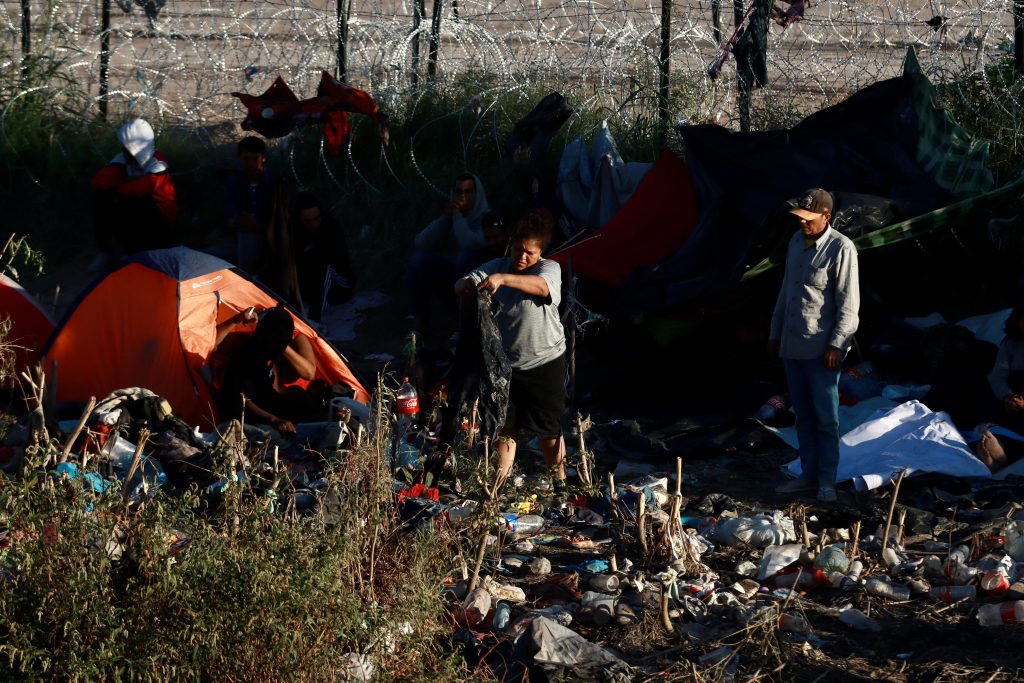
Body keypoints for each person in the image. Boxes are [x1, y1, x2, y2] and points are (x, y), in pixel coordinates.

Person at [455, 211, 567, 493]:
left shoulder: (549, 269)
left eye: (530, 253)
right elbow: (462, 282)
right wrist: (468, 285)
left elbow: (542, 288)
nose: (522, 257)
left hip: (544, 362)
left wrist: (503, 279)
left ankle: (560, 484)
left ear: (540, 252)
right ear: (510, 246)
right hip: (505, 366)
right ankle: (497, 486)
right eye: (518, 250)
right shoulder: (496, 266)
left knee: (548, 430)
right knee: (506, 427)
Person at [769, 188, 860, 503]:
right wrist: (775, 332)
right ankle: (807, 475)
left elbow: (849, 305)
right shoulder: (796, 242)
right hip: (792, 344)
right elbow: (786, 292)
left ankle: (826, 481)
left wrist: (837, 344)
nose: (803, 223)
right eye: (800, 217)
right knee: (803, 416)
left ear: (826, 217)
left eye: (809, 218)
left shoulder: (841, 248)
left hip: (821, 351)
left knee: (826, 419)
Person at [408, 173, 504, 342]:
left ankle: (463, 324)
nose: (462, 197)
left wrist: (458, 216)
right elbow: (420, 242)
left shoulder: (487, 218)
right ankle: (420, 323)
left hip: (478, 282)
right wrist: (446, 218)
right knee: (419, 259)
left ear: (477, 193)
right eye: (459, 192)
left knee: (464, 257)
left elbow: (469, 243)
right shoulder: (452, 215)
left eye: (468, 192)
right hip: (451, 281)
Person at [89, 118, 179, 271]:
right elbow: (99, 181)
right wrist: (113, 188)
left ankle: (134, 253)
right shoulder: (125, 159)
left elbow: (142, 189)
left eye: (127, 146)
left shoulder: (158, 163)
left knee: (132, 202)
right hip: (136, 212)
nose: (123, 150)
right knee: (101, 198)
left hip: (162, 220)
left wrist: (115, 190)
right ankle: (106, 250)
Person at [217, 306, 323, 434]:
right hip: (253, 414)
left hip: (270, 403)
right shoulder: (247, 351)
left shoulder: (289, 343)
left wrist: (283, 346)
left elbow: (309, 373)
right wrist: (273, 420)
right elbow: (241, 399)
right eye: (276, 340)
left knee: (300, 397)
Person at [292, 193, 356, 323]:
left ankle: (314, 320)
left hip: (339, 286)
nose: (313, 224)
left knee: (323, 266)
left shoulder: (331, 229)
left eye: (316, 218)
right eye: (307, 221)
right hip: (311, 286)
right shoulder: (295, 231)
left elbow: (328, 263)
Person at [223, 136, 282, 274]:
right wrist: (238, 221)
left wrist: (259, 225)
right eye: (246, 159)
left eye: (255, 158)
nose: (250, 163)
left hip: (270, 237)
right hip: (241, 237)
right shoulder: (234, 182)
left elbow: (281, 217)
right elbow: (228, 215)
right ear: (239, 158)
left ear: (263, 158)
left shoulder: (275, 182)